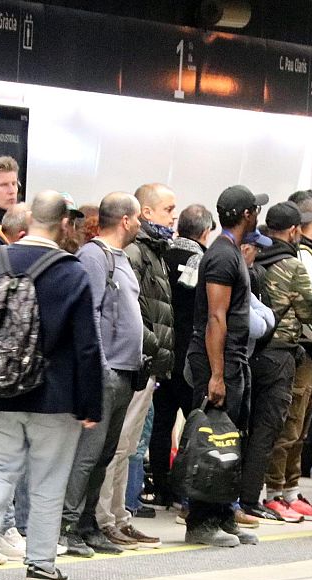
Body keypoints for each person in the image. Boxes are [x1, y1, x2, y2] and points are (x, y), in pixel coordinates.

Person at [0, 191, 103, 580]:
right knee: (47, 482)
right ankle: (41, 565)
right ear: (64, 224)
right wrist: (91, 404)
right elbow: (87, 345)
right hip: (54, 397)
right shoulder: (70, 271)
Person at [56, 193, 144, 556]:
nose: (140, 224)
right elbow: (88, 312)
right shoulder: (93, 256)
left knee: (105, 453)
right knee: (88, 454)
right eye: (138, 218)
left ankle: (88, 522)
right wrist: (100, 366)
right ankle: (67, 526)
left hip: (126, 370)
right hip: (106, 371)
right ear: (125, 220)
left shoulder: (120, 258)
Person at [184, 186, 265, 547]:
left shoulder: (229, 252)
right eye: (255, 210)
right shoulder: (221, 257)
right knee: (212, 442)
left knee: (230, 439)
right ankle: (200, 522)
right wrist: (216, 376)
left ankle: (221, 514)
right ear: (248, 214)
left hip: (233, 360)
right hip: (217, 362)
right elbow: (216, 318)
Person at [98, 183, 176, 547]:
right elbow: (128, 312)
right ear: (144, 213)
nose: (173, 217)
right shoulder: (134, 253)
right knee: (116, 446)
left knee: (128, 446)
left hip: (148, 362)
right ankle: (104, 518)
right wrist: (153, 345)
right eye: (167, 210)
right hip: (135, 360)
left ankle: (120, 515)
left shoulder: (155, 251)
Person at [244, 201, 312, 522]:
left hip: (249, 351)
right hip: (280, 353)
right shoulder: (291, 265)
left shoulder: (252, 254)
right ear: (294, 230)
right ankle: (262, 496)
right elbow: (309, 310)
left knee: (249, 426)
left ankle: (251, 494)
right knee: (273, 427)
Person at [150, 203, 211, 510]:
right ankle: (187, 489)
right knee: (194, 423)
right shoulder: (202, 262)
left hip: (163, 354)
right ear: (204, 231)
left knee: (161, 422)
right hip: (190, 357)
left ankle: (161, 488)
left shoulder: (162, 255)